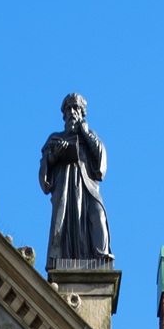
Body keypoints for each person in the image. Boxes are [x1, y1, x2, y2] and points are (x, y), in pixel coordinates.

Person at [39, 94, 113, 265]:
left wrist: (86, 134)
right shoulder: (55, 138)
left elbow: (101, 163)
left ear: (82, 113)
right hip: (65, 188)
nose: (73, 112)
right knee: (64, 224)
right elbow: (44, 171)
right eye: (69, 109)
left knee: (97, 214)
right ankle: (62, 259)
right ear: (64, 115)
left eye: (76, 109)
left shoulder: (89, 137)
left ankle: (101, 257)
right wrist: (54, 155)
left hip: (87, 187)